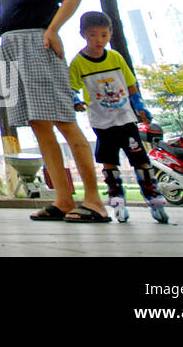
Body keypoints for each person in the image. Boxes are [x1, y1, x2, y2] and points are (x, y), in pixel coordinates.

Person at [0, 0, 108, 223]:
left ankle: (94, 200)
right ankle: (63, 200)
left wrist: (52, 30)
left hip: (38, 44)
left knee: (64, 120)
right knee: (39, 124)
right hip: (12, 48)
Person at [69, 11, 168, 223]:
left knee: (140, 158)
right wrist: (75, 100)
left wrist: (140, 106)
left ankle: (153, 196)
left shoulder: (115, 57)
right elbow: (72, 86)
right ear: (83, 34)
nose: (99, 40)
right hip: (102, 122)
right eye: (93, 35)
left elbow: (131, 85)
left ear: (110, 34)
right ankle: (116, 198)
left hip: (126, 119)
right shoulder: (78, 62)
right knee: (109, 161)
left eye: (104, 35)